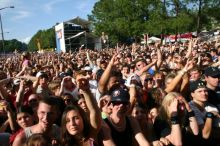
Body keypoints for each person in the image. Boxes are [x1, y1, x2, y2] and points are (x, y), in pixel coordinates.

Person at [60, 77, 101, 146]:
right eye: (67, 120)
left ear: (83, 119)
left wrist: (85, 90)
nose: (72, 123)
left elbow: (94, 111)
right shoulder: (62, 143)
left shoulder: (91, 136)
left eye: (76, 118)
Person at [189, 80, 220, 145]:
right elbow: (205, 134)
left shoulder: (211, 106)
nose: (204, 93)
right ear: (192, 94)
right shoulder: (190, 108)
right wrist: (209, 115)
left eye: (205, 91)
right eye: (199, 91)